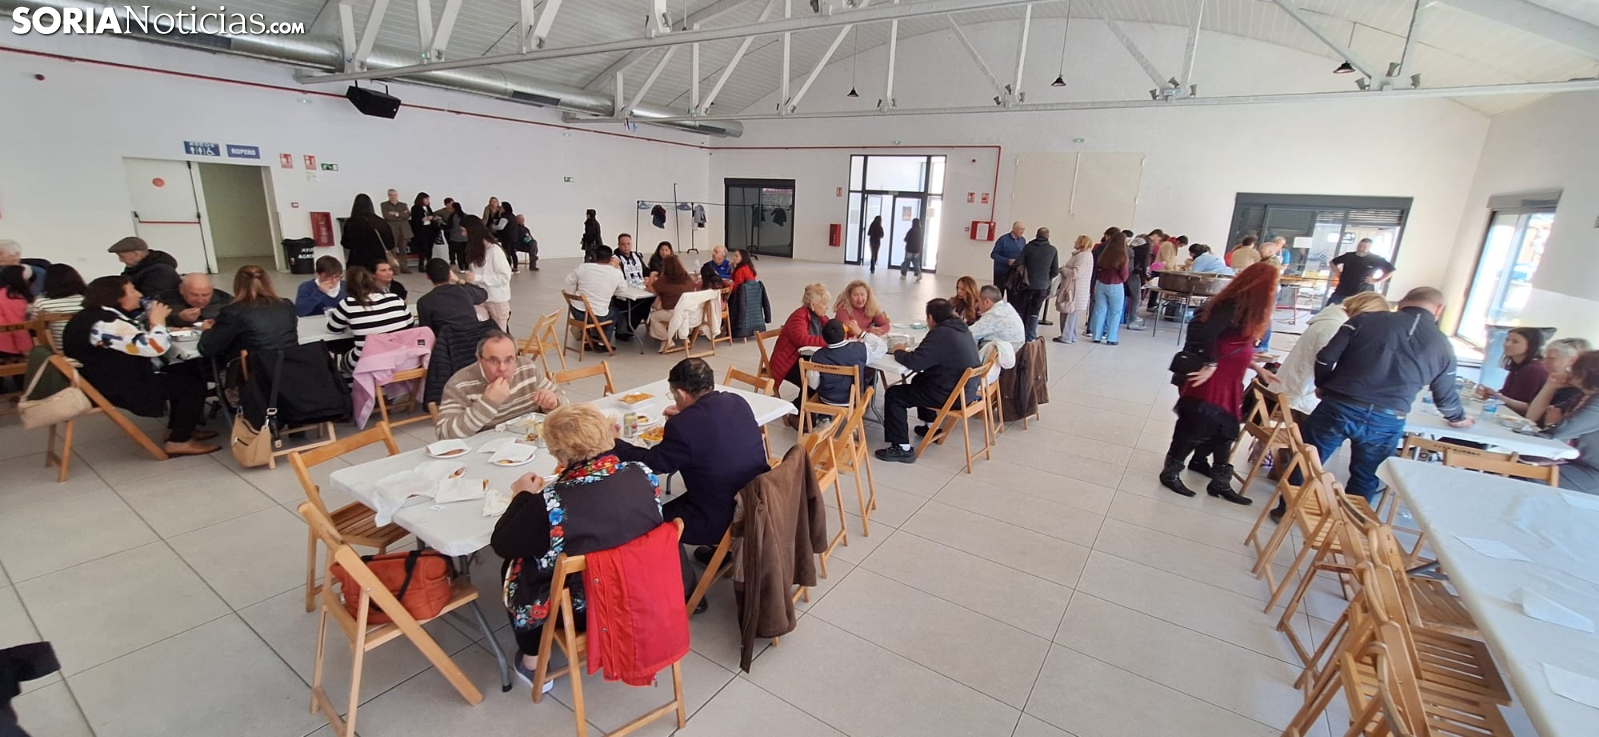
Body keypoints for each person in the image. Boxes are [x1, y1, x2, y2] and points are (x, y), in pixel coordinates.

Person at [491, 402, 670, 689]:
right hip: (642, 590)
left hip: (586, 607)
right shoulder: (642, 473)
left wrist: (521, 495)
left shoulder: (551, 502)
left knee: (515, 566)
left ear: (560, 455)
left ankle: (533, 660)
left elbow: (502, 543)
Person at [1294, 287, 1472, 508]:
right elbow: (1444, 397)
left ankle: (1285, 509)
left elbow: (1325, 358)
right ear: (1439, 309)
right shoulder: (1444, 346)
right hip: (1388, 418)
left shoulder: (1364, 320)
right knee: (1366, 476)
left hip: (1340, 404)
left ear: (1402, 301)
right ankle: (1350, 523)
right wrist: (1458, 418)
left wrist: (1323, 385)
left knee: (1307, 461)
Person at [610, 358, 769, 548]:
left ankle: (677, 563)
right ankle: (721, 554)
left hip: (722, 518)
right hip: (756, 501)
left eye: (674, 396)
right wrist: (685, 417)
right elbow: (713, 428)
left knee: (647, 518)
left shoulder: (682, 426)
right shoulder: (736, 401)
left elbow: (654, 464)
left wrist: (614, 443)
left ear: (682, 394)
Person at [1158, 263, 1282, 505]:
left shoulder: (1246, 306)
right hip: (1213, 378)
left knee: (1227, 428)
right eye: (1273, 284)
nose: (1275, 289)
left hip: (1229, 378)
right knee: (1197, 424)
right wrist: (1211, 363)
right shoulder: (1232, 303)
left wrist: (1255, 366)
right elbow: (1204, 330)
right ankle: (1171, 472)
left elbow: (1235, 343)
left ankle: (1218, 480)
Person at [61, 276, 218, 456]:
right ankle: (179, 441)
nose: (139, 294)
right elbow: (155, 348)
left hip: (103, 375)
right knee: (192, 386)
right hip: (115, 385)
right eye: (133, 290)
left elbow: (132, 339)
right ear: (118, 297)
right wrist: (158, 323)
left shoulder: (94, 316)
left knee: (186, 368)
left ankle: (179, 429)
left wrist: (163, 329)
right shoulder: (106, 324)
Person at [875, 299, 982, 464]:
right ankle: (931, 426)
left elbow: (916, 363)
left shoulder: (940, 333)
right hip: (966, 391)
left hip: (950, 395)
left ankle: (902, 448)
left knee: (894, 395)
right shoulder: (961, 328)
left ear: (930, 318)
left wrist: (899, 351)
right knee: (920, 379)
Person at [1268, 292, 1390, 418]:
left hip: (1298, 390)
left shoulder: (1333, 321)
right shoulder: (1334, 326)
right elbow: (1327, 361)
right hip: (1300, 395)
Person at [435, 330, 564, 439]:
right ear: (479, 359)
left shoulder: (528, 369)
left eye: (509, 360)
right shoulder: (459, 384)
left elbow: (564, 403)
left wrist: (554, 403)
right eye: (493, 360)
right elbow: (444, 435)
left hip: (529, 444)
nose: (502, 368)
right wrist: (487, 403)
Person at [198, 265, 298, 359]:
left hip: (256, 368)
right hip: (290, 365)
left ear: (237, 285)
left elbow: (208, 349)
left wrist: (207, 331)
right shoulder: (286, 305)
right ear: (268, 283)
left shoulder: (232, 311)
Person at [327, 266, 415, 372]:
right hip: (400, 359)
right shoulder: (395, 298)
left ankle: (352, 381)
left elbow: (333, 329)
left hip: (367, 360)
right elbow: (410, 324)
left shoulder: (348, 303)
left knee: (344, 361)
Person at [1540, 351, 1599, 494]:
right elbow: (1543, 414)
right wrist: (1550, 386)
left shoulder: (1596, 402)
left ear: (1585, 373)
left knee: (1524, 474)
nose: (1569, 372)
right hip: (1575, 463)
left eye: (1573, 368)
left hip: (1591, 472)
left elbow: (1559, 432)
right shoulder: (1583, 396)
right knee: (1514, 466)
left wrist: (1552, 423)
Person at [769, 283, 832, 412]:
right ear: (813, 305)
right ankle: (798, 411)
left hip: (804, 359)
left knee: (822, 377)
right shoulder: (799, 316)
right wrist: (828, 340)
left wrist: (840, 333)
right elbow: (803, 340)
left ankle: (801, 410)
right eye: (824, 304)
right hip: (787, 362)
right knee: (815, 381)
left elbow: (832, 329)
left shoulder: (820, 318)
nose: (827, 307)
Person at [1476, 327, 1549, 414]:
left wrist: (1496, 396)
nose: (1507, 344)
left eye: (1515, 342)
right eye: (1507, 340)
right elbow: (1506, 393)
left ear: (1531, 345)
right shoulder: (1517, 366)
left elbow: (1527, 406)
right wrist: (1490, 394)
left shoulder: (1533, 370)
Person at [564, 244, 627, 344]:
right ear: (610, 258)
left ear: (595, 256)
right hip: (597, 316)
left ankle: (588, 340)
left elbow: (567, 281)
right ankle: (602, 343)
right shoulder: (616, 272)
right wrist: (618, 268)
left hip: (577, 312)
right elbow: (623, 289)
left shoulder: (583, 267)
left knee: (597, 311)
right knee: (615, 312)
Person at [1526, 338, 1593, 426]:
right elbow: (1531, 417)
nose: (1544, 362)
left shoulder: (1579, 391)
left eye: (1551, 358)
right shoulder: (1555, 381)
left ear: (1572, 361)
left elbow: (1546, 421)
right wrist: (1549, 386)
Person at [807, 319, 871, 410]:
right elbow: (881, 348)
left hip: (826, 399)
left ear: (824, 337)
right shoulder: (860, 349)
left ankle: (823, 416)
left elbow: (813, 385)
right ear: (845, 334)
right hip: (852, 400)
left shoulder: (816, 356)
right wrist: (863, 334)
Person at [416, 257, 489, 335]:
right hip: (473, 338)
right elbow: (483, 294)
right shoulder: (464, 291)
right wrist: (458, 280)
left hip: (446, 341)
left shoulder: (424, 302)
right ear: (450, 274)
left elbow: (426, 332)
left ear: (427, 276)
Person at [464, 221, 513, 331]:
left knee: (499, 336)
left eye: (463, 231)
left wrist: (478, 278)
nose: (462, 234)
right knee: (482, 334)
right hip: (479, 299)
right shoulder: (474, 250)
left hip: (496, 300)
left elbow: (504, 277)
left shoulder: (495, 251)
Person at [26, 263, 87, 349]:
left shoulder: (42, 303)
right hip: (86, 349)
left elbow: (34, 326)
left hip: (57, 350)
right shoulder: (87, 301)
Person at [1015, 227, 1059, 341]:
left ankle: (1021, 334)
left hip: (1026, 284)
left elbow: (1018, 263)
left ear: (1036, 235)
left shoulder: (1028, 247)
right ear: (1048, 237)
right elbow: (1055, 271)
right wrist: (1046, 279)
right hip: (1042, 286)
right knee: (1035, 311)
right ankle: (1031, 336)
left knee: (1024, 310)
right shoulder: (1052, 250)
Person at [646, 255, 698, 348]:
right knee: (670, 315)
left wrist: (652, 275)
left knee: (654, 317)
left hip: (674, 313)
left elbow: (651, 288)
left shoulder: (664, 280)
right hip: (689, 313)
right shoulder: (687, 278)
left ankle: (666, 340)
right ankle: (684, 337)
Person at [1088, 230, 1131, 345]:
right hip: (1115, 285)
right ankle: (1111, 338)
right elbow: (1124, 275)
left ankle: (1096, 337)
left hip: (1100, 284)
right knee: (1115, 312)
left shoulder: (1104, 254)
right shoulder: (1123, 257)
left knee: (1099, 310)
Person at [1326, 238, 1395, 306]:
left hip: (1362, 294)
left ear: (1369, 248)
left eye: (1364, 247)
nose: (1361, 249)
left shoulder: (1376, 259)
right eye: (1359, 246)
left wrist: (1377, 280)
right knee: (1329, 309)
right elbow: (1332, 263)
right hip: (1342, 291)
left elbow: (1391, 270)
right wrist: (1338, 273)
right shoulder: (1349, 256)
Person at [108, 236, 180, 299]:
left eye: (122, 256)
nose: (121, 260)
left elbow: (153, 300)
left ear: (136, 254)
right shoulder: (134, 268)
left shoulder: (161, 272)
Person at [1053, 235, 1094, 344]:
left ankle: (1066, 336)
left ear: (1081, 243)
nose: (1075, 242)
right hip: (1076, 289)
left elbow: (1076, 273)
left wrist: (1063, 270)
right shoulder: (1084, 255)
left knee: (1068, 312)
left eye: (1077, 241)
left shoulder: (1083, 256)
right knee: (1072, 313)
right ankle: (1072, 336)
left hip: (1074, 290)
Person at [342, 194, 396, 274]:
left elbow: (345, 243)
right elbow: (390, 244)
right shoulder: (380, 222)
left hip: (357, 262)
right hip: (378, 261)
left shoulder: (350, 222)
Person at [158, 273, 232, 327]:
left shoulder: (225, 300)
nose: (200, 300)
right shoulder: (166, 299)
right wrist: (179, 318)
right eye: (194, 295)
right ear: (181, 290)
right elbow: (152, 324)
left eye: (205, 295)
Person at [970, 285, 1025, 352]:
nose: (977, 305)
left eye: (978, 301)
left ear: (987, 302)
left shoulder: (994, 315)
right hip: (1014, 352)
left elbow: (969, 334)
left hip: (1000, 356)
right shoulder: (1007, 308)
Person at [0, 266, 32, 357]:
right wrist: (27, 350)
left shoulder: (3, 292)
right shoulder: (11, 297)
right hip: (5, 345)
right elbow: (17, 326)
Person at [381, 189, 414, 271]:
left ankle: (404, 267)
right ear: (388, 196)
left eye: (395, 195)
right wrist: (401, 214)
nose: (393, 197)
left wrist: (396, 214)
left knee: (403, 249)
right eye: (391, 195)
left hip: (403, 230)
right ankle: (394, 267)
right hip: (392, 230)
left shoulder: (403, 205)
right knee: (393, 250)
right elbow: (386, 216)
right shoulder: (384, 205)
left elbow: (407, 215)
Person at [990, 221, 1027, 293]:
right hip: (1001, 273)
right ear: (1014, 229)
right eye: (1021, 229)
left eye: (1023, 229)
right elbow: (993, 255)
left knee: (1013, 296)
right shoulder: (1003, 239)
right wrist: (1007, 261)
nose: (1022, 231)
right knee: (999, 294)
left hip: (1014, 273)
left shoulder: (1023, 240)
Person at [409, 192, 440, 264]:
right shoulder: (415, 208)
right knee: (423, 248)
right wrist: (423, 219)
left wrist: (434, 218)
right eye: (426, 199)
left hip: (430, 229)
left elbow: (431, 216)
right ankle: (421, 264)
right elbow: (415, 220)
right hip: (422, 230)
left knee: (430, 247)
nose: (428, 201)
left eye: (428, 199)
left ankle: (429, 262)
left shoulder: (428, 208)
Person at [443, 201, 470, 271]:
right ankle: (466, 266)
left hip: (455, 238)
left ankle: (461, 267)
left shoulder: (452, 216)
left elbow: (449, 226)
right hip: (465, 238)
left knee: (459, 253)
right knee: (465, 253)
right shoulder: (466, 215)